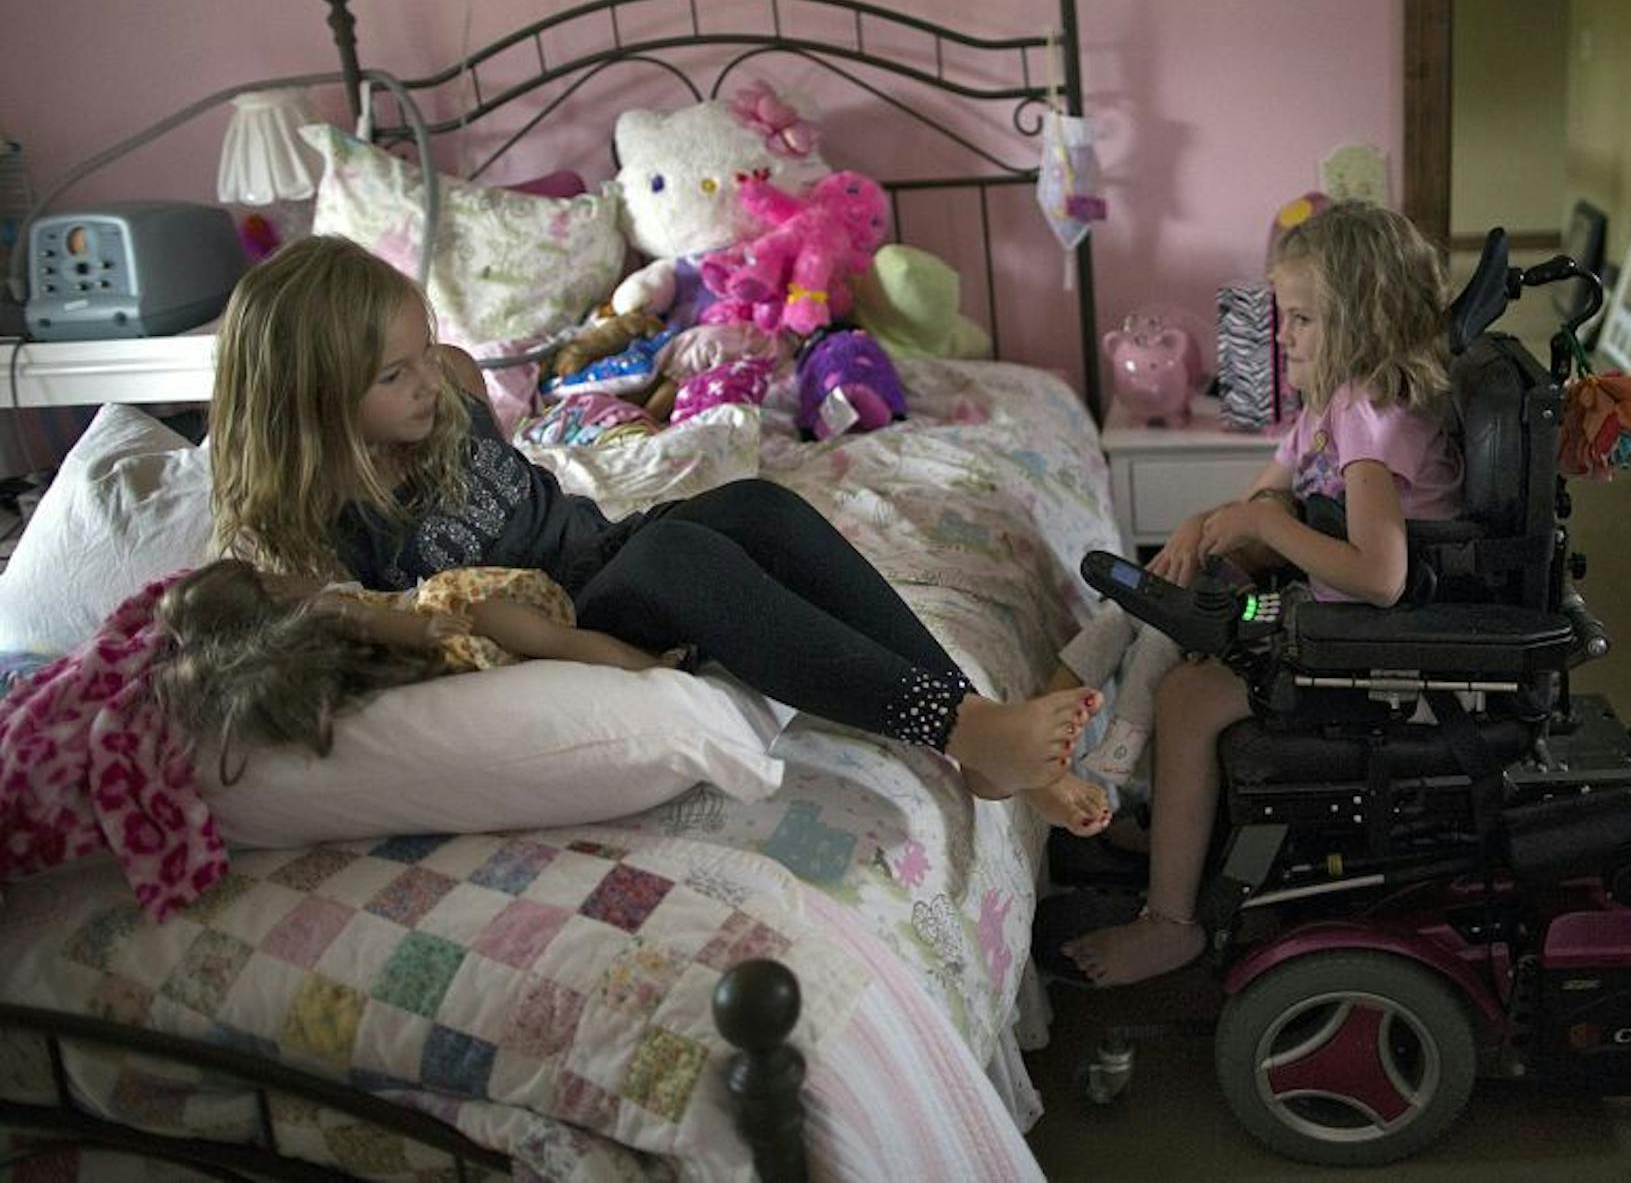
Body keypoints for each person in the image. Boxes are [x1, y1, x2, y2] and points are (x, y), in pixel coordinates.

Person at [207, 236, 1108, 832]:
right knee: (685, 559)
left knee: (756, 507)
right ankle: (957, 723)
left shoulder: (450, 386)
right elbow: (311, 615)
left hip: (603, 543)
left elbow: (477, 393)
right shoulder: (317, 525)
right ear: (310, 403)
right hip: (561, 614)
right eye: (390, 375)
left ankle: (978, 732)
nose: (423, 386)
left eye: (421, 354)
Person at [1061, 200, 1465, 984]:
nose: (1284, 336)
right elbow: (1260, 497)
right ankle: (1167, 816)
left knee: (1187, 696)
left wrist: (1263, 526)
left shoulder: (1372, 423)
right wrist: (1201, 528)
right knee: (1163, 624)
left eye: (1305, 319)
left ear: (1364, 320)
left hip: (1383, 654)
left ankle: (1170, 921)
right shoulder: (1328, 411)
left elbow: (1382, 577)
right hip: (1331, 626)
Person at [153, 558, 675, 785]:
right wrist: (429, 630)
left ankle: (650, 664)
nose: (279, 572)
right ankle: (661, 675)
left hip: (436, 638)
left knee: (550, 640)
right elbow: (395, 625)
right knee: (554, 640)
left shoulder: (306, 625)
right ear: (269, 597)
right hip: (447, 628)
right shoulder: (326, 612)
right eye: (265, 575)